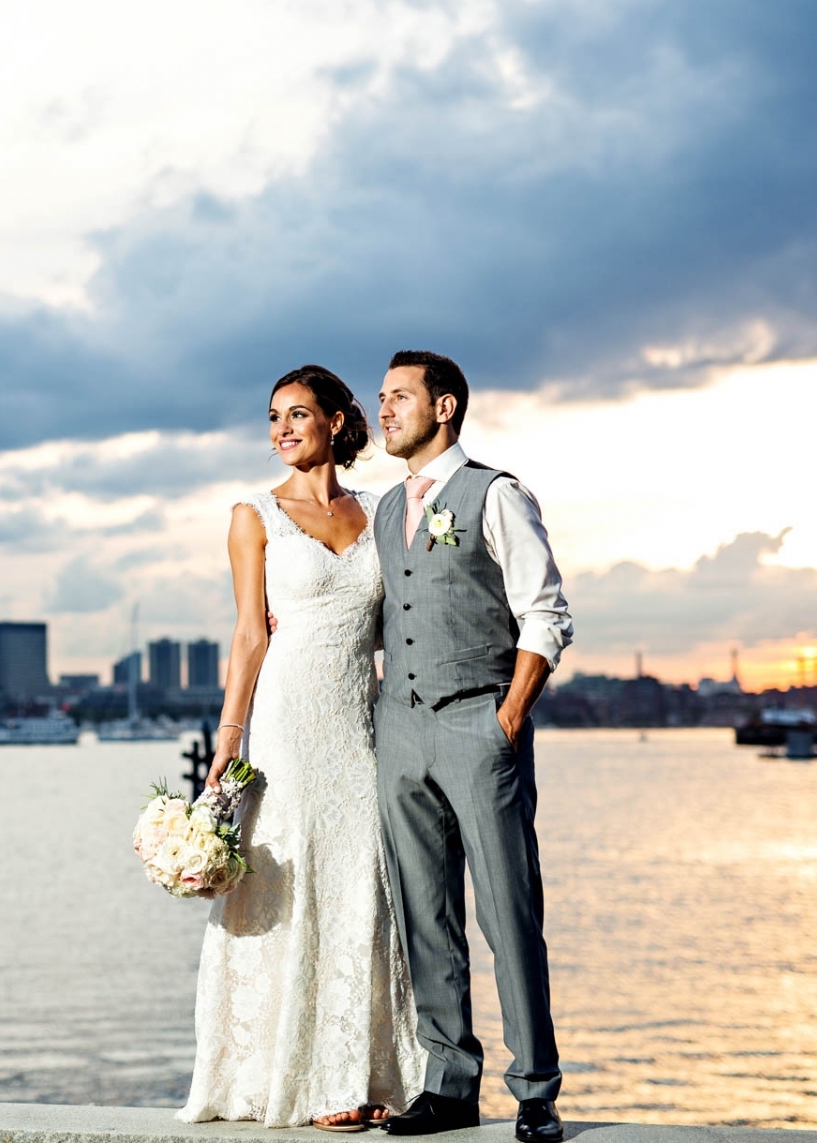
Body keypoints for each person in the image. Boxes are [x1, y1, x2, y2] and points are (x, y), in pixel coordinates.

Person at [180, 364, 426, 1130]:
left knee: (362, 884)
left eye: (297, 415)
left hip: (360, 720)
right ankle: (290, 1075)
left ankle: (359, 1074)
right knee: (287, 881)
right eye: (273, 417)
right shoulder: (253, 515)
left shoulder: (386, 512)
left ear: (336, 421)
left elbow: (406, 619)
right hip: (286, 720)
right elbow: (250, 634)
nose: (282, 429)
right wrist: (229, 735)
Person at [369, 351, 572, 1143]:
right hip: (401, 728)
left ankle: (535, 1090)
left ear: (444, 407)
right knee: (425, 911)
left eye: (399, 397)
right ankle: (449, 1084)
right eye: (381, 398)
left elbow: (546, 614)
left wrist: (510, 716)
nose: (384, 410)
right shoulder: (388, 508)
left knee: (508, 910)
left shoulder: (497, 494)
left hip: (478, 723)